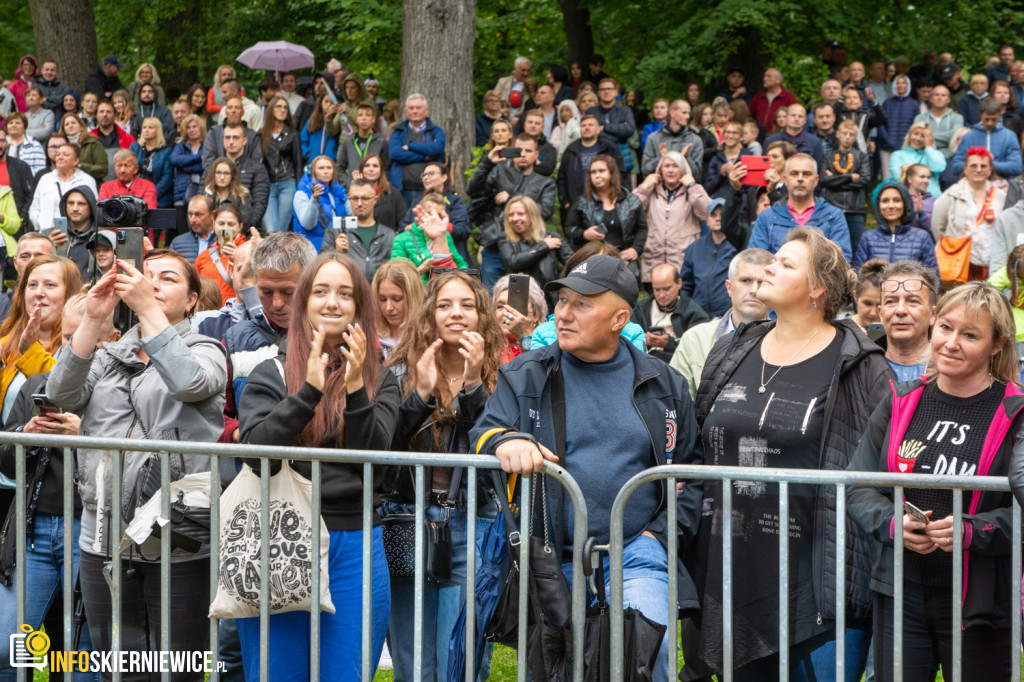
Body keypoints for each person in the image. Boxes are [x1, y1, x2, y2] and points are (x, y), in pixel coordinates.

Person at [472, 253, 698, 682]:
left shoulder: (665, 383)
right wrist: (507, 440)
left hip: (637, 553)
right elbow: (484, 431)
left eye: (582, 303)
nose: (563, 313)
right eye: (562, 301)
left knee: (644, 660)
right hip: (551, 559)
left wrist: (660, 535)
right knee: (557, 670)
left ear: (619, 319)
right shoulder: (526, 373)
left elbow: (691, 470)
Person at [695, 226, 892, 679]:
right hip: (734, 572)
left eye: (785, 264)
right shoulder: (732, 348)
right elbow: (701, 440)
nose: (768, 268)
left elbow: (879, 470)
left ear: (817, 289)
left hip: (817, 583)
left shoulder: (861, 364)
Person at [46, 248, 226, 675]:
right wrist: (91, 319)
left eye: (167, 279)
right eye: (145, 277)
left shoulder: (207, 349)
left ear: (193, 300)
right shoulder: (109, 354)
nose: (152, 285)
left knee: (176, 667)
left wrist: (148, 308)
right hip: (102, 536)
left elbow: (190, 382)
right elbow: (59, 396)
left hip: (176, 537)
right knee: (118, 665)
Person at [236, 252, 397, 681]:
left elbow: (375, 463)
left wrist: (359, 386)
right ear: (304, 302)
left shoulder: (385, 378)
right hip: (280, 538)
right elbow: (255, 453)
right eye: (321, 291)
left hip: (356, 545)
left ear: (360, 306)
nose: (332, 302)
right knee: (277, 672)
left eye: (345, 293)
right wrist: (307, 391)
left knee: (345, 672)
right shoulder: (268, 371)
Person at [849, 281, 1021, 681]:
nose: (951, 343)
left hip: (981, 602)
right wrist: (893, 524)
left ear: (996, 346)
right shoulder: (900, 401)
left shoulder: (1016, 412)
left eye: (970, 335)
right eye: (945, 328)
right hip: (900, 591)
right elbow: (859, 486)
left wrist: (971, 531)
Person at [384, 269, 507, 680]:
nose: (456, 313)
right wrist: (420, 393)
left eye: (467, 305)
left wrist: (473, 386)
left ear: (481, 316)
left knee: (461, 658)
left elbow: (491, 443)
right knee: (412, 657)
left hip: (473, 522)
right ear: (430, 315)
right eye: (445, 305)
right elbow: (385, 447)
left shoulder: (501, 378)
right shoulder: (401, 371)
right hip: (409, 520)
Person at [0, 293, 111, 682]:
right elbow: (3, 459)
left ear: (110, 340)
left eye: (86, 340)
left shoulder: (115, 391)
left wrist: (90, 436)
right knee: (6, 646)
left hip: (92, 530)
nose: (71, 349)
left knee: (84, 655)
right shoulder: (37, 384)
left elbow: (138, 462)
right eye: (64, 339)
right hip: (35, 530)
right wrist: (22, 435)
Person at [670, 248, 772, 397]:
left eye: (762, 282)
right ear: (729, 287)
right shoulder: (694, 339)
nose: (754, 290)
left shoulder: (788, 344)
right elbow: (676, 402)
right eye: (746, 281)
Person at [467, 134, 556, 287]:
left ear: (536, 155)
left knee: (522, 299)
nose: (522, 154)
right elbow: (472, 190)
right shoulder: (499, 172)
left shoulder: (545, 183)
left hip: (526, 250)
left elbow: (545, 211)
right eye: (518, 150)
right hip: (495, 244)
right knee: (490, 297)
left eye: (528, 151)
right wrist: (488, 163)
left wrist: (511, 198)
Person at [748, 153, 852, 260]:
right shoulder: (767, 217)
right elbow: (756, 260)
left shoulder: (833, 216)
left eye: (806, 174)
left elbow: (842, 261)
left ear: (816, 180)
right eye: (794, 174)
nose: (800, 178)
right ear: (785, 180)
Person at [932, 146, 1007, 280]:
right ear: (965, 170)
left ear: (990, 170)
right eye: (973, 166)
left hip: (992, 260)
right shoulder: (952, 194)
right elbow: (938, 226)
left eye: (983, 166)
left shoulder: (1000, 196)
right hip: (961, 261)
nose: (978, 170)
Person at [635, 151, 710, 285]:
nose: (670, 170)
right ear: (660, 170)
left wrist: (692, 186)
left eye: (675, 166)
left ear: (683, 170)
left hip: (682, 261)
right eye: (667, 166)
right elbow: (629, 212)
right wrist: (643, 186)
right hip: (654, 259)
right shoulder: (652, 190)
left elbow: (707, 212)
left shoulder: (691, 191)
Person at [566, 154, 647, 276]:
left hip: (624, 262)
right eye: (593, 172)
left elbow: (642, 228)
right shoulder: (583, 202)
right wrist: (584, 234)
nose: (597, 175)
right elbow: (569, 228)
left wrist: (635, 249)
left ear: (612, 173)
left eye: (601, 171)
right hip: (592, 262)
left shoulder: (631, 201)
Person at [855, 180, 940, 277]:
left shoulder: (922, 237)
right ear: (878, 206)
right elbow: (859, 279)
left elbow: (934, 278)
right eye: (885, 201)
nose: (891, 206)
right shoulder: (867, 237)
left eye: (897, 200)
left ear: (905, 203)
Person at [497, 194, 573, 302]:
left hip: (552, 298)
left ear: (532, 215)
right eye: (511, 215)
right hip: (521, 300)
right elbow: (513, 262)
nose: (515, 218)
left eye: (520, 214)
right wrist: (544, 246)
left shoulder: (551, 236)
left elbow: (573, 262)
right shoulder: (505, 239)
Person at [320, 178, 396, 283]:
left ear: (375, 199)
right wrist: (335, 252)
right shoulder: (334, 232)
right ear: (349, 199)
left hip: (378, 295)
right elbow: (321, 268)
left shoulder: (389, 235)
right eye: (355, 198)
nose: (359, 203)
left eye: (364, 198)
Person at [630, 262, 709, 362]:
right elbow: (628, 340)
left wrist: (669, 344)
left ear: (679, 283)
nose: (661, 295)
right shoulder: (642, 308)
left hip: (677, 364)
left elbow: (699, 346)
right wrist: (642, 340)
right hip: (646, 363)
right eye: (657, 290)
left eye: (667, 289)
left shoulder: (692, 311)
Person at [397, 162, 472, 264]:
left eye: (431, 174)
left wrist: (439, 227)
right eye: (424, 175)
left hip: (452, 260)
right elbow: (402, 227)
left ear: (444, 177)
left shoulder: (454, 201)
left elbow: (463, 231)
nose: (426, 177)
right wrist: (418, 227)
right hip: (420, 261)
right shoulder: (417, 202)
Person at [556, 114, 623, 226]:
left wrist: (618, 199)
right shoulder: (571, 149)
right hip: (576, 203)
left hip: (606, 202)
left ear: (598, 129)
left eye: (590, 125)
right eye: (583, 125)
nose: (586, 128)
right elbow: (561, 177)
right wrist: (565, 202)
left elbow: (620, 173)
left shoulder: (609, 147)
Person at [877, 260, 937, 381]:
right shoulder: (861, 370)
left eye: (913, 301)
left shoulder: (947, 373)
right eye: (891, 301)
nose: (900, 310)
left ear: (932, 314)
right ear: (880, 314)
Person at [204, 121, 270, 229]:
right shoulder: (212, 168)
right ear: (222, 140)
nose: (231, 142)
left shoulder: (257, 168)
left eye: (235, 137)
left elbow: (260, 204)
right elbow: (202, 198)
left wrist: (242, 229)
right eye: (227, 137)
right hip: (212, 231)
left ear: (244, 140)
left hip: (245, 230)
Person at [820, 119, 872, 253]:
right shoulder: (828, 156)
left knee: (856, 248)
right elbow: (824, 180)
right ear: (838, 134)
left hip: (855, 210)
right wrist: (849, 177)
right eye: (845, 133)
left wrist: (835, 180)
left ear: (855, 137)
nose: (848, 137)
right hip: (832, 208)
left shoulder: (861, 156)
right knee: (830, 248)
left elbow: (864, 180)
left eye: (851, 134)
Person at [680, 197, 737, 318]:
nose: (718, 218)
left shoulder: (738, 245)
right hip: (698, 316)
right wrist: (688, 310)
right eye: (713, 215)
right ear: (707, 220)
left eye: (722, 214)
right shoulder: (694, 248)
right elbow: (686, 284)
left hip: (730, 315)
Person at [390, 192, 467, 281]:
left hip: (442, 290)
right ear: (420, 213)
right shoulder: (401, 239)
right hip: (417, 293)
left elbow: (461, 264)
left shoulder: (445, 235)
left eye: (439, 215)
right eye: (430, 213)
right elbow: (396, 278)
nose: (434, 218)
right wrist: (422, 269)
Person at [388, 94, 446, 206]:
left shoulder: (436, 131)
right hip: (402, 191)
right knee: (404, 223)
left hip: (430, 191)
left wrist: (410, 146)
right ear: (406, 111)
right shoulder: (398, 132)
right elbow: (395, 153)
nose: (415, 111)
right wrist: (424, 156)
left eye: (418, 108)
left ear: (426, 110)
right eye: (411, 108)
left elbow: (436, 148)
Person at [947, 96, 1023, 178]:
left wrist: (990, 163)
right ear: (980, 115)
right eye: (986, 119)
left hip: (1001, 185)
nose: (990, 123)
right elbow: (955, 167)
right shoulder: (969, 136)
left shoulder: (1009, 136)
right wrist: (978, 162)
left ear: (1000, 115)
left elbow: (1016, 167)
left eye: (994, 119)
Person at [29, 142, 98, 231]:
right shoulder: (45, 179)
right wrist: (41, 223)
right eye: (58, 155)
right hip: (47, 235)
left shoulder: (86, 180)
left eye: (65, 155)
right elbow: (34, 208)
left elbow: (93, 209)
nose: (60, 157)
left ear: (76, 161)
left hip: (76, 235)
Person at [260, 95, 302, 233]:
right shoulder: (261, 134)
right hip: (268, 185)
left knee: (282, 230)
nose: (282, 110)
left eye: (285, 107)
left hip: (287, 183)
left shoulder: (292, 134)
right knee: (271, 230)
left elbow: (298, 163)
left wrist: (299, 186)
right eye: (279, 106)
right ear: (271, 109)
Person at [292, 155, 351, 251]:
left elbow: (351, 215)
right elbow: (308, 224)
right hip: (310, 249)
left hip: (335, 248)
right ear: (313, 172)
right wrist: (314, 199)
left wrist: (356, 191)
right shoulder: (302, 193)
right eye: (321, 168)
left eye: (329, 168)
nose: (326, 171)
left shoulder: (337, 192)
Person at [371, 258, 423, 359]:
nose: (388, 307)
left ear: (413, 297)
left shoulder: (427, 336)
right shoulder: (369, 336)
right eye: (382, 299)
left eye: (397, 299)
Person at [641, 99, 705, 181]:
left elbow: (697, 175)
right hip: (658, 190)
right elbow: (645, 171)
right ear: (672, 113)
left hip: (685, 191)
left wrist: (685, 158)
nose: (688, 116)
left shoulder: (695, 140)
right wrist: (661, 159)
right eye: (684, 113)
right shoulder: (653, 138)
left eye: (689, 113)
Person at [56, 185, 102, 282]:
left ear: (91, 207)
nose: (75, 208)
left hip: (90, 292)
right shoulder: (52, 235)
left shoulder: (102, 235)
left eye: (81, 204)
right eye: (71, 203)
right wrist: (49, 247)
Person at [201, 98, 262, 170]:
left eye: (237, 108)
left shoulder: (253, 136)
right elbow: (208, 161)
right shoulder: (214, 132)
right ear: (226, 111)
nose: (233, 111)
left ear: (243, 112)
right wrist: (222, 174)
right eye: (230, 108)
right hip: (218, 177)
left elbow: (256, 162)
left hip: (245, 178)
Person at [493, 273, 547, 353]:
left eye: (516, 305)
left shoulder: (550, 346)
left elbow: (536, 363)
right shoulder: (486, 350)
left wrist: (524, 336)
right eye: (501, 306)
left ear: (536, 314)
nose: (508, 312)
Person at [889, 122, 946, 197]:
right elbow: (899, 177)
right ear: (909, 135)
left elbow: (938, 168)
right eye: (916, 134)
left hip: (933, 199)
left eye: (923, 136)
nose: (918, 138)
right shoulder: (897, 155)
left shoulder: (935, 154)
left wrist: (928, 147)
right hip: (908, 198)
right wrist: (927, 171)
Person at [337, 103, 387, 188]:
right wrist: (348, 183)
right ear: (356, 119)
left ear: (373, 119)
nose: (364, 118)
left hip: (374, 190)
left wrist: (378, 186)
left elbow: (386, 168)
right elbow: (339, 168)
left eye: (368, 115)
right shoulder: (349, 141)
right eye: (360, 115)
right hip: (352, 189)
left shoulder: (381, 142)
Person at [879, 74, 918, 180]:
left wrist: (908, 141)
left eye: (903, 83)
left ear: (908, 85)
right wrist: (887, 140)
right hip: (887, 148)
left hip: (906, 148)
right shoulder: (887, 103)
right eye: (898, 82)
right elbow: (881, 123)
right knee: (887, 177)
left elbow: (915, 126)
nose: (900, 85)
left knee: (905, 177)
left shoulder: (914, 104)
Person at [128, 117, 173, 207]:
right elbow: (129, 170)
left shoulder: (166, 151)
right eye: (144, 127)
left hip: (159, 198)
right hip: (135, 195)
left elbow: (167, 177)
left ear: (158, 130)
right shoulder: (135, 147)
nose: (146, 130)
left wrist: (151, 193)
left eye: (150, 127)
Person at [353, 153, 406, 230]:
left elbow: (402, 221)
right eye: (367, 165)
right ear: (361, 170)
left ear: (381, 170)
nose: (371, 169)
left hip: (387, 239)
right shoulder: (353, 192)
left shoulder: (393, 193)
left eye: (375, 166)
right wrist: (357, 188)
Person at [203, 157, 254, 229]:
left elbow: (245, 221)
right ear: (213, 174)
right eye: (218, 173)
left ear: (232, 176)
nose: (222, 177)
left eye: (226, 173)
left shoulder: (242, 195)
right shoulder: (207, 193)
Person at [915, 85, 964, 160]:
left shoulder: (957, 118)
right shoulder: (920, 118)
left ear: (948, 99)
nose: (939, 97)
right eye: (936, 95)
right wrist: (947, 138)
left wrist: (928, 136)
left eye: (943, 95)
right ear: (931, 99)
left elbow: (956, 136)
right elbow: (918, 139)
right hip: (925, 158)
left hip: (950, 158)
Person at [704, 122, 749, 200]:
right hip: (719, 202)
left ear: (741, 137)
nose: (730, 136)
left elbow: (751, 188)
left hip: (741, 203)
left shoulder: (748, 157)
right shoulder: (716, 158)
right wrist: (720, 174)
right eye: (727, 132)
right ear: (723, 135)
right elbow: (708, 189)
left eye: (734, 133)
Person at [0, 128, 33, 230]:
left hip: (16, 226)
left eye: (1, 141)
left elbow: (31, 195)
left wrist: (22, 218)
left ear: (7, 142)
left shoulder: (21, 166)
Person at [59, 114, 107, 183]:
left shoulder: (93, 142)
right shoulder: (60, 145)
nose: (70, 126)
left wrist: (80, 166)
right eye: (67, 124)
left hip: (90, 184)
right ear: (63, 129)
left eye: (73, 123)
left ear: (81, 126)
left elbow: (103, 169)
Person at [171, 113, 207, 205]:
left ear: (201, 127)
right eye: (188, 127)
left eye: (194, 126)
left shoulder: (207, 145)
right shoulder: (181, 145)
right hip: (182, 193)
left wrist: (188, 168)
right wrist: (198, 157)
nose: (191, 130)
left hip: (204, 192)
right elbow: (175, 160)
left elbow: (207, 166)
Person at [171, 194, 217, 263]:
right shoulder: (177, 244)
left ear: (212, 215)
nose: (193, 219)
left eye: (199, 215)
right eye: (190, 214)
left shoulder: (224, 242)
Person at [847, 259, 884, 334]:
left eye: (880, 305)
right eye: (867, 304)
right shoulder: (839, 328)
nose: (873, 313)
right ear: (855, 296)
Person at [495, 56, 533, 123]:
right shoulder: (502, 82)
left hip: (521, 122)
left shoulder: (531, 86)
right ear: (515, 69)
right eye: (523, 70)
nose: (526, 73)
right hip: (501, 119)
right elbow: (494, 101)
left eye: (528, 70)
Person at [902, 163, 937, 234]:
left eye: (928, 177)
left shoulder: (934, 201)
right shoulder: (900, 200)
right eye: (922, 177)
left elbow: (937, 229)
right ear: (910, 179)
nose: (926, 181)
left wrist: (922, 214)